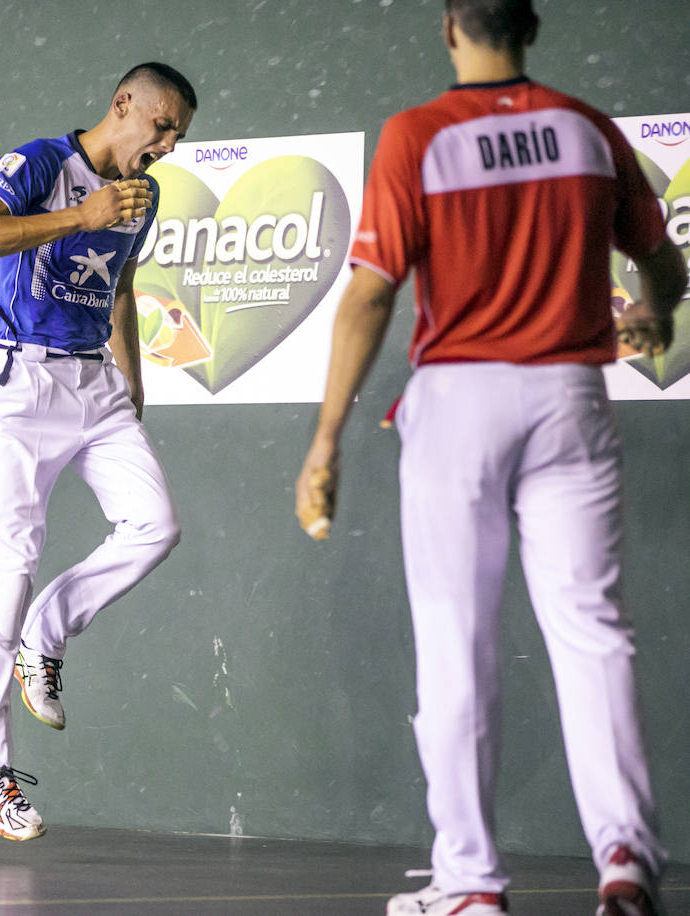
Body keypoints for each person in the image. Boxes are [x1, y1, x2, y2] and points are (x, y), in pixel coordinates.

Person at [295, 1, 687, 913]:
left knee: (456, 644)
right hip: (571, 400)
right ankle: (625, 858)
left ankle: (471, 884)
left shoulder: (420, 135)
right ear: (533, 24)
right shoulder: (587, 130)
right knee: (594, 635)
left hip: (461, 402)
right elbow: (661, 263)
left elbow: (367, 299)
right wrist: (655, 312)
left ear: (449, 29)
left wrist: (325, 440)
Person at [0, 62, 196, 841]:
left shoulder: (144, 197)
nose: (166, 145)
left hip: (97, 389)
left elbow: (119, 284)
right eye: (162, 126)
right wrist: (76, 217)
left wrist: (133, 380)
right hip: (19, 381)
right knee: (10, 565)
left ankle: (45, 637)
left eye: (179, 137)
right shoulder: (40, 164)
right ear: (124, 104)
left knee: (155, 524)